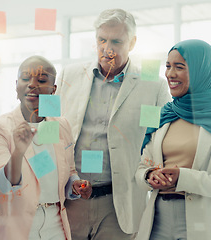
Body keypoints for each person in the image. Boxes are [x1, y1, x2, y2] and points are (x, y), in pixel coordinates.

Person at [56, 9, 171, 239]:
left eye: (116, 41)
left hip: (120, 206)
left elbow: (156, 141)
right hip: (71, 201)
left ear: (132, 43)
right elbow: (48, 129)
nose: (107, 48)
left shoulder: (153, 86)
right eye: (102, 40)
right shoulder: (68, 75)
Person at [135, 39, 211, 240]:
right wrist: (149, 175)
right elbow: (141, 167)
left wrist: (184, 178)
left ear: (201, 71)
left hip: (206, 227)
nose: (170, 74)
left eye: (179, 67)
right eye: (168, 66)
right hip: (157, 223)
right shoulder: (163, 114)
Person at [0, 56, 92, 240]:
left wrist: (75, 185)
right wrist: (18, 152)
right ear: (16, 86)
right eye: (25, 78)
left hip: (54, 225)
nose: (32, 84)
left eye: (42, 80)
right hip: (11, 227)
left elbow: (68, 170)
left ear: (53, 89)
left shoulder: (61, 126)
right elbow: (3, 185)